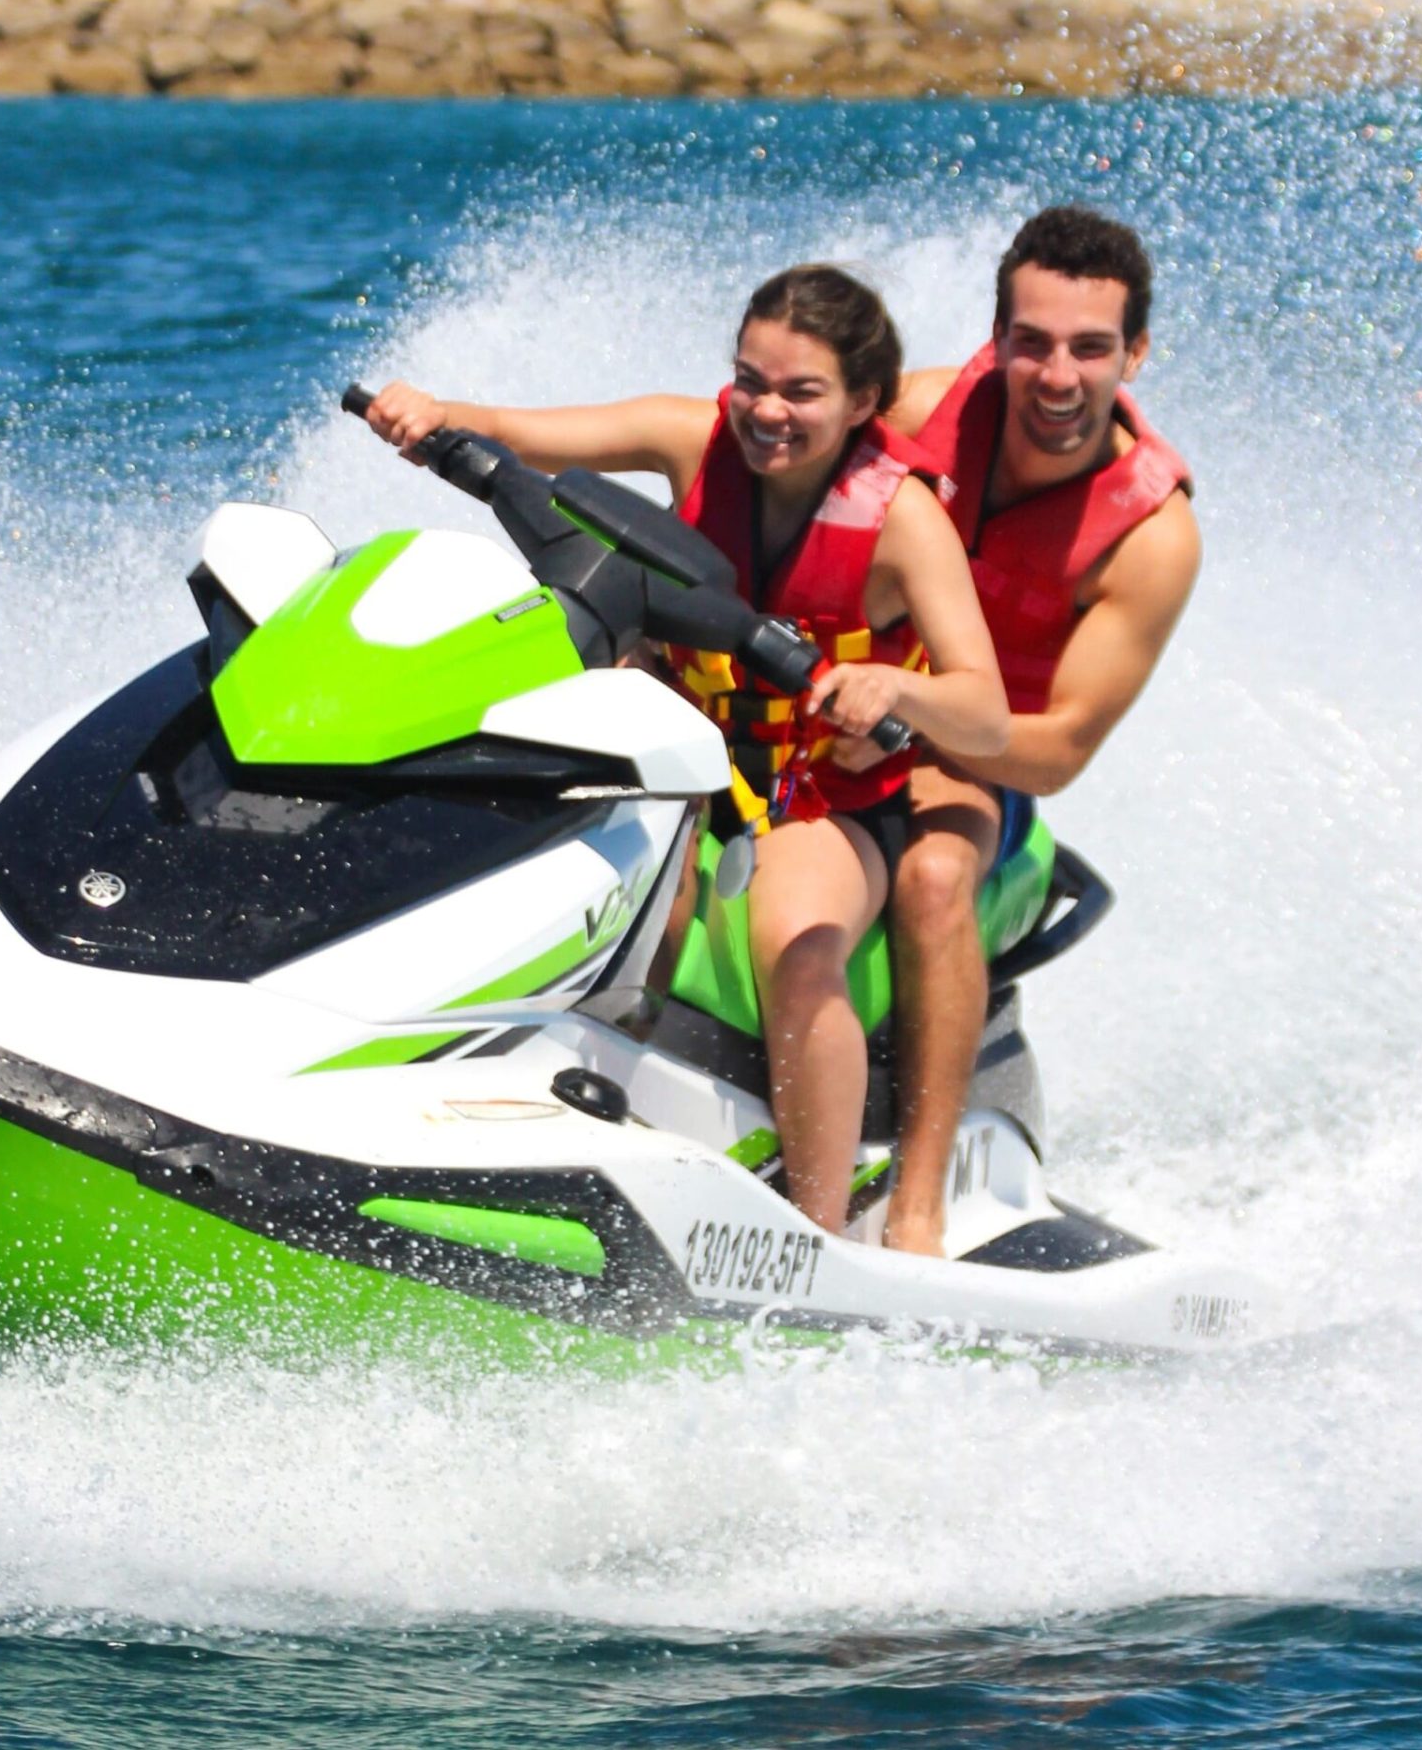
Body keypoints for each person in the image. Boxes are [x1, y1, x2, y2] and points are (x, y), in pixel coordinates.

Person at [362, 266, 1008, 1235]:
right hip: (688, 754)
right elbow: (526, 433)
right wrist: (434, 411)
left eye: (801, 392)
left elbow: (986, 709)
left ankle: (820, 1233)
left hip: (821, 794)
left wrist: (896, 687)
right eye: (750, 380)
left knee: (796, 947)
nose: (764, 411)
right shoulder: (692, 436)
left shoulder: (902, 519)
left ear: (864, 401)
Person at [869, 206, 1200, 1257]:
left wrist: (913, 710)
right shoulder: (922, 414)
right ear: (999, 338)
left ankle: (917, 1208)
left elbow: (1055, 753)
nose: (1058, 377)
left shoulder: (1149, 539)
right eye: (1033, 343)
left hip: (981, 760)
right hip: (829, 698)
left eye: (1091, 349)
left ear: (1134, 353)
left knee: (929, 880)